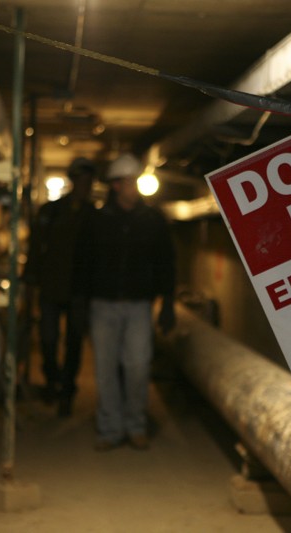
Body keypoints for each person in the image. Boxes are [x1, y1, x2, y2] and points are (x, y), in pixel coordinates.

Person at [77, 152, 176, 451]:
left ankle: (135, 425)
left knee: (137, 366)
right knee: (105, 369)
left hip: (138, 306)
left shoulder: (153, 220)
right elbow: (83, 265)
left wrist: (168, 303)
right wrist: (80, 304)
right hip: (103, 305)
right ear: (117, 185)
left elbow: (166, 263)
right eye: (131, 182)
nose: (136, 187)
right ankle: (110, 429)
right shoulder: (97, 221)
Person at [23, 156, 96, 417]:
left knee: (75, 342)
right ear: (73, 181)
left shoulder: (94, 216)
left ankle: (67, 390)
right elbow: (35, 250)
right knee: (48, 339)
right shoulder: (50, 212)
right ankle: (52, 378)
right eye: (81, 180)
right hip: (52, 288)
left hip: (79, 290)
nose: (85, 185)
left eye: (89, 181)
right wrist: (30, 283)